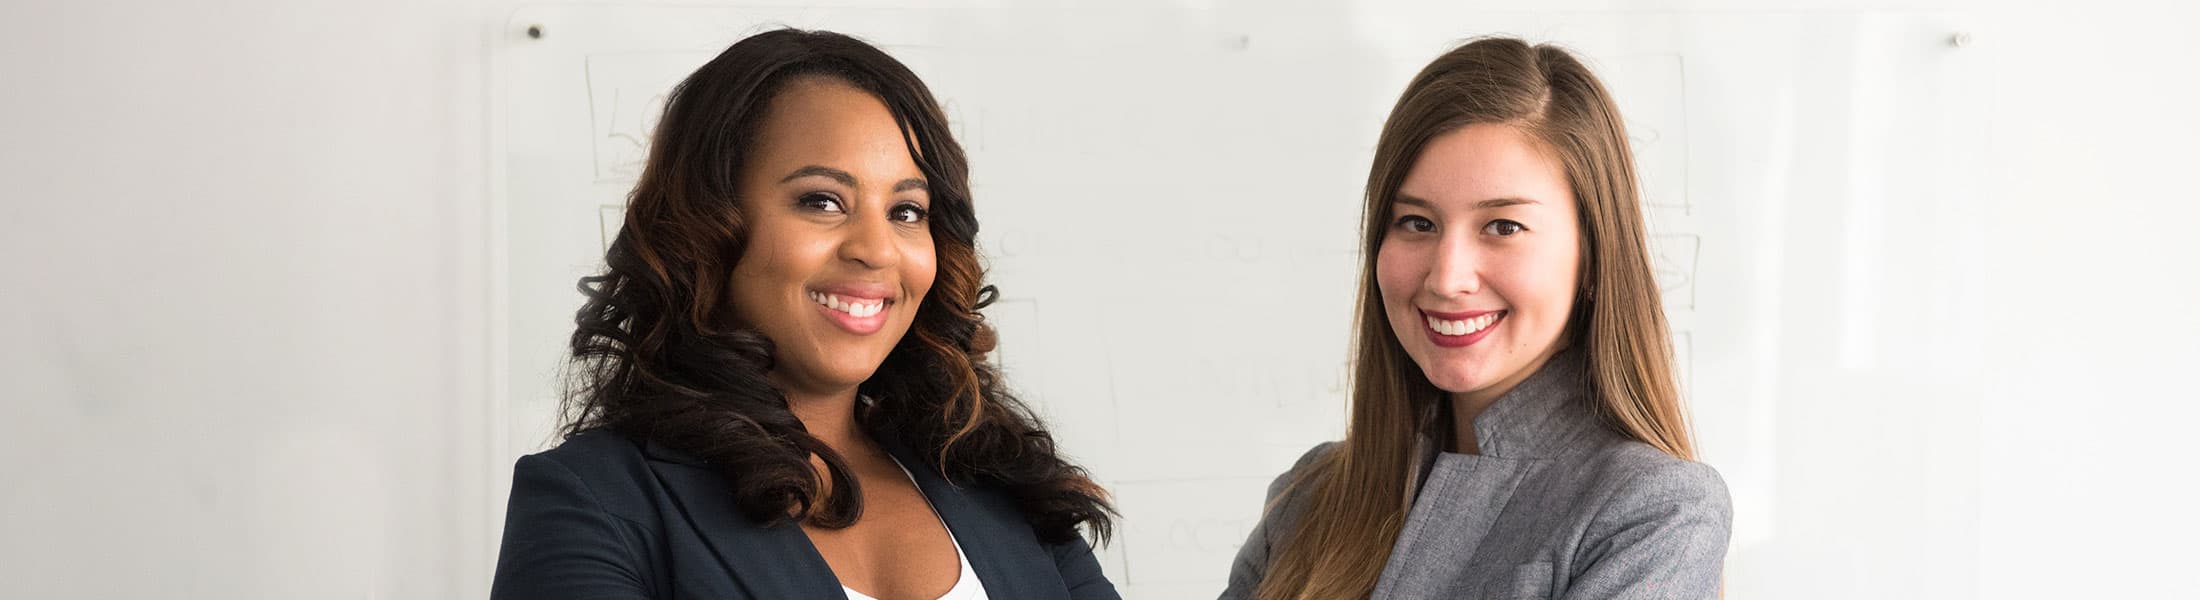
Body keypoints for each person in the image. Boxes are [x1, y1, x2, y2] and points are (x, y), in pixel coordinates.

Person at [490, 28, 1118, 600]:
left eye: (906, 211)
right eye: (822, 201)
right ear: (708, 227)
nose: (876, 250)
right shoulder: (593, 500)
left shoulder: (1002, 482)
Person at [1222, 37, 1731, 600]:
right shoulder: (1309, 497)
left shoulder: (1654, 512)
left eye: (1503, 227)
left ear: (1593, 255)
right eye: (1417, 223)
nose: (1447, 278)